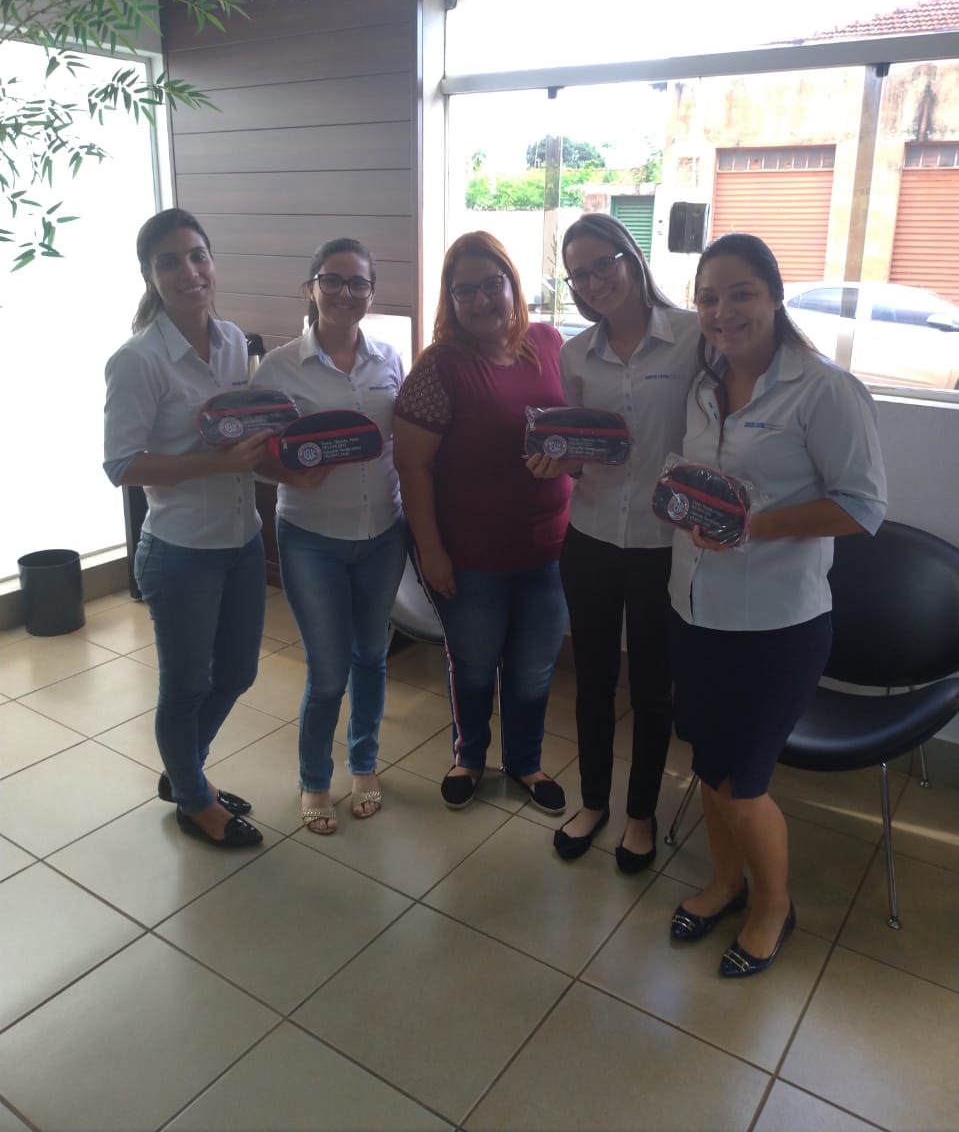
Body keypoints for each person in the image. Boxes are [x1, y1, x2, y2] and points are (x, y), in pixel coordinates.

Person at [667, 232, 886, 977]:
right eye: (708, 298)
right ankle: (725, 882)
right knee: (709, 768)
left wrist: (752, 526)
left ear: (774, 296)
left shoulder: (824, 390)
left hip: (776, 625)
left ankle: (772, 907)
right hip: (693, 608)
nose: (721, 312)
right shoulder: (703, 384)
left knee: (743, 784)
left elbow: (861, 507)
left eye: (740, 294)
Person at [528, 213, 700, 871]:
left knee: (653, 687)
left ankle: (640, 815)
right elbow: (579, 454)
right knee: (593, 680)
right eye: (579, 274)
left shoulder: (691, 337)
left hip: (664, 541)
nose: (595, 281)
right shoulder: (575, 355)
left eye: (604, 264)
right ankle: (594, 802)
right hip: (593, 536)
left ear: (631, 257)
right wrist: (554, 461)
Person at [103, 208, 268, 848]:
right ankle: (194, 800)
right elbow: (122, 465)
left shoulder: (232, 342)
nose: (189, 271)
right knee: (186, 687)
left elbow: (240, 430)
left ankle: (184, 774)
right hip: (180, 551)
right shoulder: (138, 360)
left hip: (243, 540)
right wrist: (217, 463)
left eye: (198, 255)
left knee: (237, 673)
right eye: (169, 261)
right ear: (150, 275)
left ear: (212, 262)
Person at [392, 232, 570, 813]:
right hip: (470, 556)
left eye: (491, 284)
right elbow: (412, 466)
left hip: (551, 549)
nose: (480, 299)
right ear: (450, 299)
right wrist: (431, 550)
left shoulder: (549, 343)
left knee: (533, 670)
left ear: (511, 284)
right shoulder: (439, 367)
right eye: (463, 290)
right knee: (473, 666)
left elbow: (577, 432)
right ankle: (469, 756)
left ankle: (525, 762)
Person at [252, 238, 406, 834]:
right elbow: (256, 456)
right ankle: (314, 778)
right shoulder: (279, 367)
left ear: (371, 292)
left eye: (358, 283)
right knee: (328, 670)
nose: (346, 292)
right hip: (310, 537)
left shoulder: (390, 359)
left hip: (383, 533)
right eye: (332, 280)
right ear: (311, 287)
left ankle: (363, 764)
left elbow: (401, 444)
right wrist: (291, 473)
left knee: (371, 656)